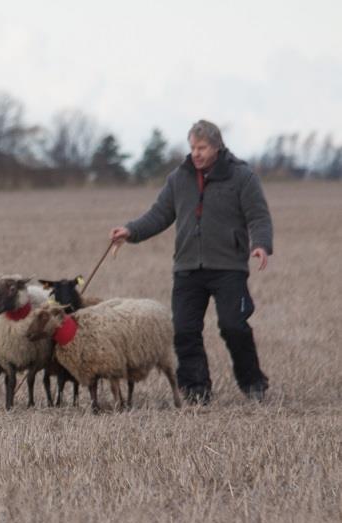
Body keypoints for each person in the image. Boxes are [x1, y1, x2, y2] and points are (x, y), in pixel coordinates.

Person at [109, 120, 272, 404]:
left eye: (202, 148)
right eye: (192, 147)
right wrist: (131, 231)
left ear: (217, 147)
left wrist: (260, 245)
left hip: (228, 267)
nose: (195, 153)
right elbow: (159, 214)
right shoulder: (178, 178)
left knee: (234, 326)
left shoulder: (242, 176)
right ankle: (196, 390)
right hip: (187, 268)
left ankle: (253, 383)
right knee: (184, 330)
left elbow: (258, 216)